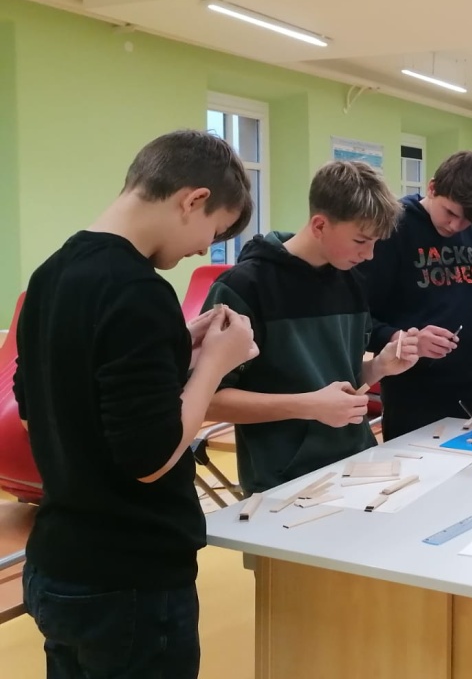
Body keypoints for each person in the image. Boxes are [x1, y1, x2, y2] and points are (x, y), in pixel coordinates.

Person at [15, 129, 257, 679]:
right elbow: (150, 458)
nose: (204, 249)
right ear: (193, 200)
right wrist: (214, 365)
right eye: (213, 231)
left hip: (59, 565)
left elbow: (38, 409)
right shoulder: (138, 290)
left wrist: (175, 345)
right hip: (129, 579)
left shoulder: (51, 273)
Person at [203, 160, 420, 495]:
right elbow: (209, 400)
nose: (369, 255)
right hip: (282, 483)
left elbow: (339, 381)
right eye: (361, 240)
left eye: (376, 242)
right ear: (320, 225)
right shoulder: (244, 288)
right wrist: (310, 405)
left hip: (356, 466)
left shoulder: (350, 282)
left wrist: (379, 367)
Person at [361, 150, 472, 439]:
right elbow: (361, 319)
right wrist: (405, 339)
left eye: (466, 221)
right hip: (412, 388)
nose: (455, 226)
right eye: (450, 213)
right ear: (432, 188)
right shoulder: (394, 227)